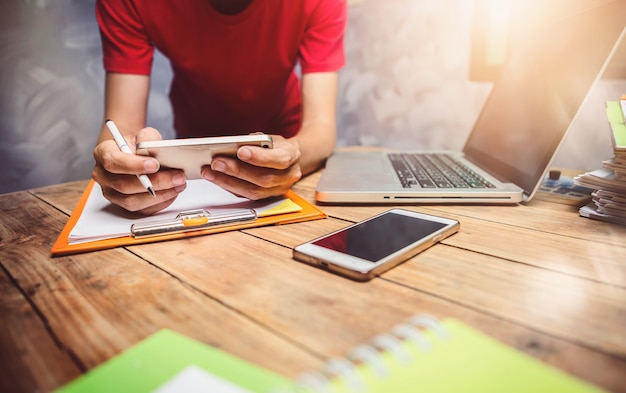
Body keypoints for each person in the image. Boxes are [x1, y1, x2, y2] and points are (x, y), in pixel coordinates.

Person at [91, 0, 347, 215]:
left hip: (286, 155)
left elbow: (321, 129)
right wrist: (123, 168)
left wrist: (295, 152)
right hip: (191, 167)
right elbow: (120, 129)